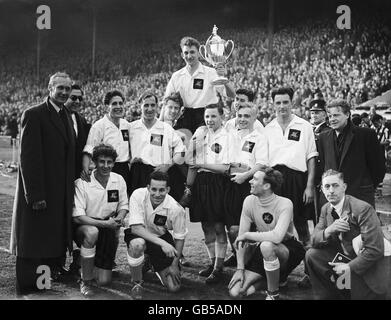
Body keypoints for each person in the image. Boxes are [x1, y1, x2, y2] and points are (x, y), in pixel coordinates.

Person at [10, 72, 75, 295]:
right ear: (50, 88)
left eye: (68, 88)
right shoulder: (34, 114)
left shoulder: (66, 114)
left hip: (59, 193)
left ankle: (42, 287)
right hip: (40, 193)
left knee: (49, 242)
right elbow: (28, 159)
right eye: (60, 88)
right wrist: (35, 195)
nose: (64, 92)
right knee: (33, 243)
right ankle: (29, 290)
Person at [305, 169, 389, 300]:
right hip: (344, 254)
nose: (331, 190)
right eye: (327, 186)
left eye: (335, 185)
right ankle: (327, 296)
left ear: (344, 187)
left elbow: (375, 249)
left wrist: (348, 267)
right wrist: (329, 230)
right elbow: (314, 240)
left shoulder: (362, 209)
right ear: (322, 189)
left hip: (365, 261)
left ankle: (351, 289)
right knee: (312, 255)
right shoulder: (326, 208)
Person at [228, 168, 305, 300]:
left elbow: (277, 237)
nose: (250, 181)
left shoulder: (285, 203)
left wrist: (248, 235)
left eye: (255, 179)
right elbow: (241, 238)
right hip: (263, 250)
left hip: (287, 248)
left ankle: (273, 293)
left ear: (266, 185)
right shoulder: (249, 201)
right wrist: (240, 268)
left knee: (267, 245)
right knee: (235, 292)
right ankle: (278, 279)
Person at [264, 87, 318, 246]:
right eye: (278, 103)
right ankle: (284, 263)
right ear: (273, 104)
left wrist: (309, 186)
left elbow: (311, 157)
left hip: (297, 178)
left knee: (301, 223)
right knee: (277, 223)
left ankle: (308, 264)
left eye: (285, 102)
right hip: (274, 178)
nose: (282, 106)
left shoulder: (304, 125)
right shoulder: (268, 129)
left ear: (292, 102)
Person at [73, 144, 128, 296]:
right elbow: (78, 217)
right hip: (86, 226)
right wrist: (105, 224)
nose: (105, 166)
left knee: (103, 280)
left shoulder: (119, 180)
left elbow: (124, 205)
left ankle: (81, 261)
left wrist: (120, 217)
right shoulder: (82, 182)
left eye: (109, 162)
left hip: (108, 226)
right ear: (94, 162)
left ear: (114, 163)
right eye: (101, 161)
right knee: (92, 232)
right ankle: (85, 281)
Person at [186, 103, 231, 284]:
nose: (209, 120)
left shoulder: (226, 136)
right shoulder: (200, 133)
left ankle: (219, 267)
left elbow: (226, 167)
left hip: (218, 182)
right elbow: (189, 159)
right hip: (200, 183)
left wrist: (202, 164)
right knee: (206, 226)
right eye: (207, 116)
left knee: (219, 226)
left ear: (221, 117)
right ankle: (212, 263)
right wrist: (196, 141)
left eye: (213, 116)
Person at [124, 170, 187, 299]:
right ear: (148, 188)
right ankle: (137, 284)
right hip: (139, 235)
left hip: (160, 236)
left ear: (168, 189)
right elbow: (136, 229)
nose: (157, 194)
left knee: (174, 287)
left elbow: (180, 238)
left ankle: (150, 262)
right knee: (137, 245)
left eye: (162, 190)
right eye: (154, 189)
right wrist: (163, 244)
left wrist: (175, 264)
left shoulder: (176, 208)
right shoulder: (138, 195)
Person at [223, 102, 269, 267]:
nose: (242, 119)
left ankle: (250, 261)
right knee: (232, 227)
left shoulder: (259, 138)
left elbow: (261, 164)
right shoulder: (229, 136)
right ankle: (237, 256)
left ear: (254, 118)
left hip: (249, 185)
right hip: (229, 183)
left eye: (247, 116)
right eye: (240, 116)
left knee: (248, 227)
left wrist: (245, 175)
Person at [317, 99, 386, 207]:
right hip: (331, 200)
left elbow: (378, 167)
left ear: (347, 114)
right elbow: (322, 166)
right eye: (330, 116)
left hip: (360, 197)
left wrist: (367, 186)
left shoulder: (366, 135)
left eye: (336, 115)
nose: (332, 119)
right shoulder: (323, 137)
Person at [164, 36, 235, 134]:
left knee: (199, 140)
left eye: (192, 52)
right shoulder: (177, 76)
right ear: (182, 55)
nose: (189, 56)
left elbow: (231, 95)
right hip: (185, 116)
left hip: (206, 115)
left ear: (198, 53)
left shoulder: (210, 73)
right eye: (186, 53)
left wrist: (224, 80)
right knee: (180, 140)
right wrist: (161, 122)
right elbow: (167, 101)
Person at [128, 91, 186, 197]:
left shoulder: (166, 128)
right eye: (146, 105)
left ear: (157, 107)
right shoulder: (131, 128)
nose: (149, 109)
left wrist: (168, 165)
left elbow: (182, 151)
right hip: (138, 173)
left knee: (160, 209)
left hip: (159, 173)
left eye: (152, 105)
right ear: (139, 106)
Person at [82, 90, 131, 194]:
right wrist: (86, 170)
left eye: (120, 103)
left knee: (122, 199)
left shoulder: (126, 125)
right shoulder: (99, 126)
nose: (118, 106)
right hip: (106, 168)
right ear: (106, 106)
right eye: (114, 104)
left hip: (124, 169)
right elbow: (89, 148)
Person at [64, 84, 90, 180]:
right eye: (73, 98)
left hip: (77, 175)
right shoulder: (57, 118)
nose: (77, 101)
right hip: (61, 174)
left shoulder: (82, 120)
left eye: (80, 98)